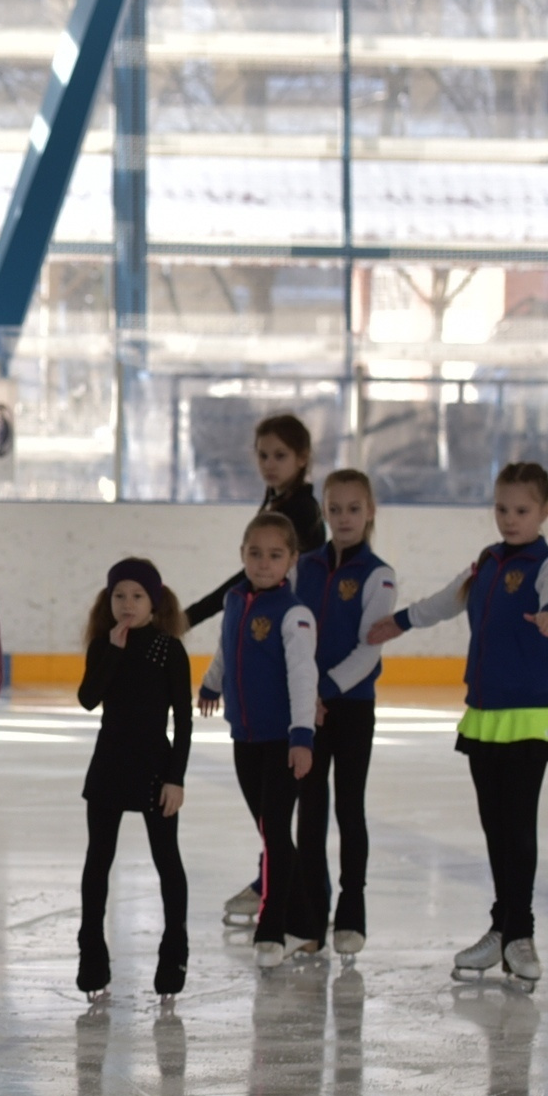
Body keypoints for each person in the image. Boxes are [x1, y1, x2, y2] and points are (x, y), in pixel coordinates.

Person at [367, 461, 548, 991]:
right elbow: (445, 601)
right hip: (483, 716)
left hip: (528, 717)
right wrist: (401, 621)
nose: (509, 519)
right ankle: (501, 929)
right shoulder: (486, 563)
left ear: (544, 512)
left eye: (521, 510)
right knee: (495, 827)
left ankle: (520, 932)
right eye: (502, 508)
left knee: (518, 826)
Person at [183, 413, 326, 927]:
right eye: (263, 454)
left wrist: (192, 614)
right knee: (274, 810)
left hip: (297, 650)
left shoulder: (302, 510)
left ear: (303, 459)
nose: (269, 464)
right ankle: (277, 881)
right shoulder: (278, 504)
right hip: (270, 666)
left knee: (286, 806)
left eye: (280, 456)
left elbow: (268, 584)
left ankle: (291, 901)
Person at [197, 513, 320, 970]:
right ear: (242, 555)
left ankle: (273, 925)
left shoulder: (294, 614)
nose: (263, 563)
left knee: (274, 834)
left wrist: (302, 736)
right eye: (254, 553)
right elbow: (226, 648)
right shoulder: (235, 601)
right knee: (270, 832)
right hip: (244, 736)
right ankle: (306, 925)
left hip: (283, 740)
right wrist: (212, 683)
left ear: (291, 560)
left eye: (274, 555)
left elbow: (304, 678)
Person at [75, 558, 192, 1002]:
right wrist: (112, 650)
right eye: (119, 595)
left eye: (137, 596)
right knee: (97, 862)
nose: (127, 604)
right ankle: (91, 954)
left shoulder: (168, 649)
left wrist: (175, 779)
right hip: (108, 767)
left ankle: (174, 951)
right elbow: (88, 699)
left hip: (154, 770)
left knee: (167, 861)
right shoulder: (102, 646)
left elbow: (183, 722)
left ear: (153, 602)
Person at [291, 469, 395, 961]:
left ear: (370, 510)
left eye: (354, 508)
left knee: (348, 808)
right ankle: (312, 916)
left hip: (351, 709)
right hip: (305, 711)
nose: (344, 518)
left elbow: (368, 651)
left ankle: (352, 908)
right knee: (309, 814)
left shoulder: (379, 575)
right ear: (325, 512)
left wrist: (323, 690)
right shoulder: (302, 567)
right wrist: (303, 696)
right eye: (335, 509)